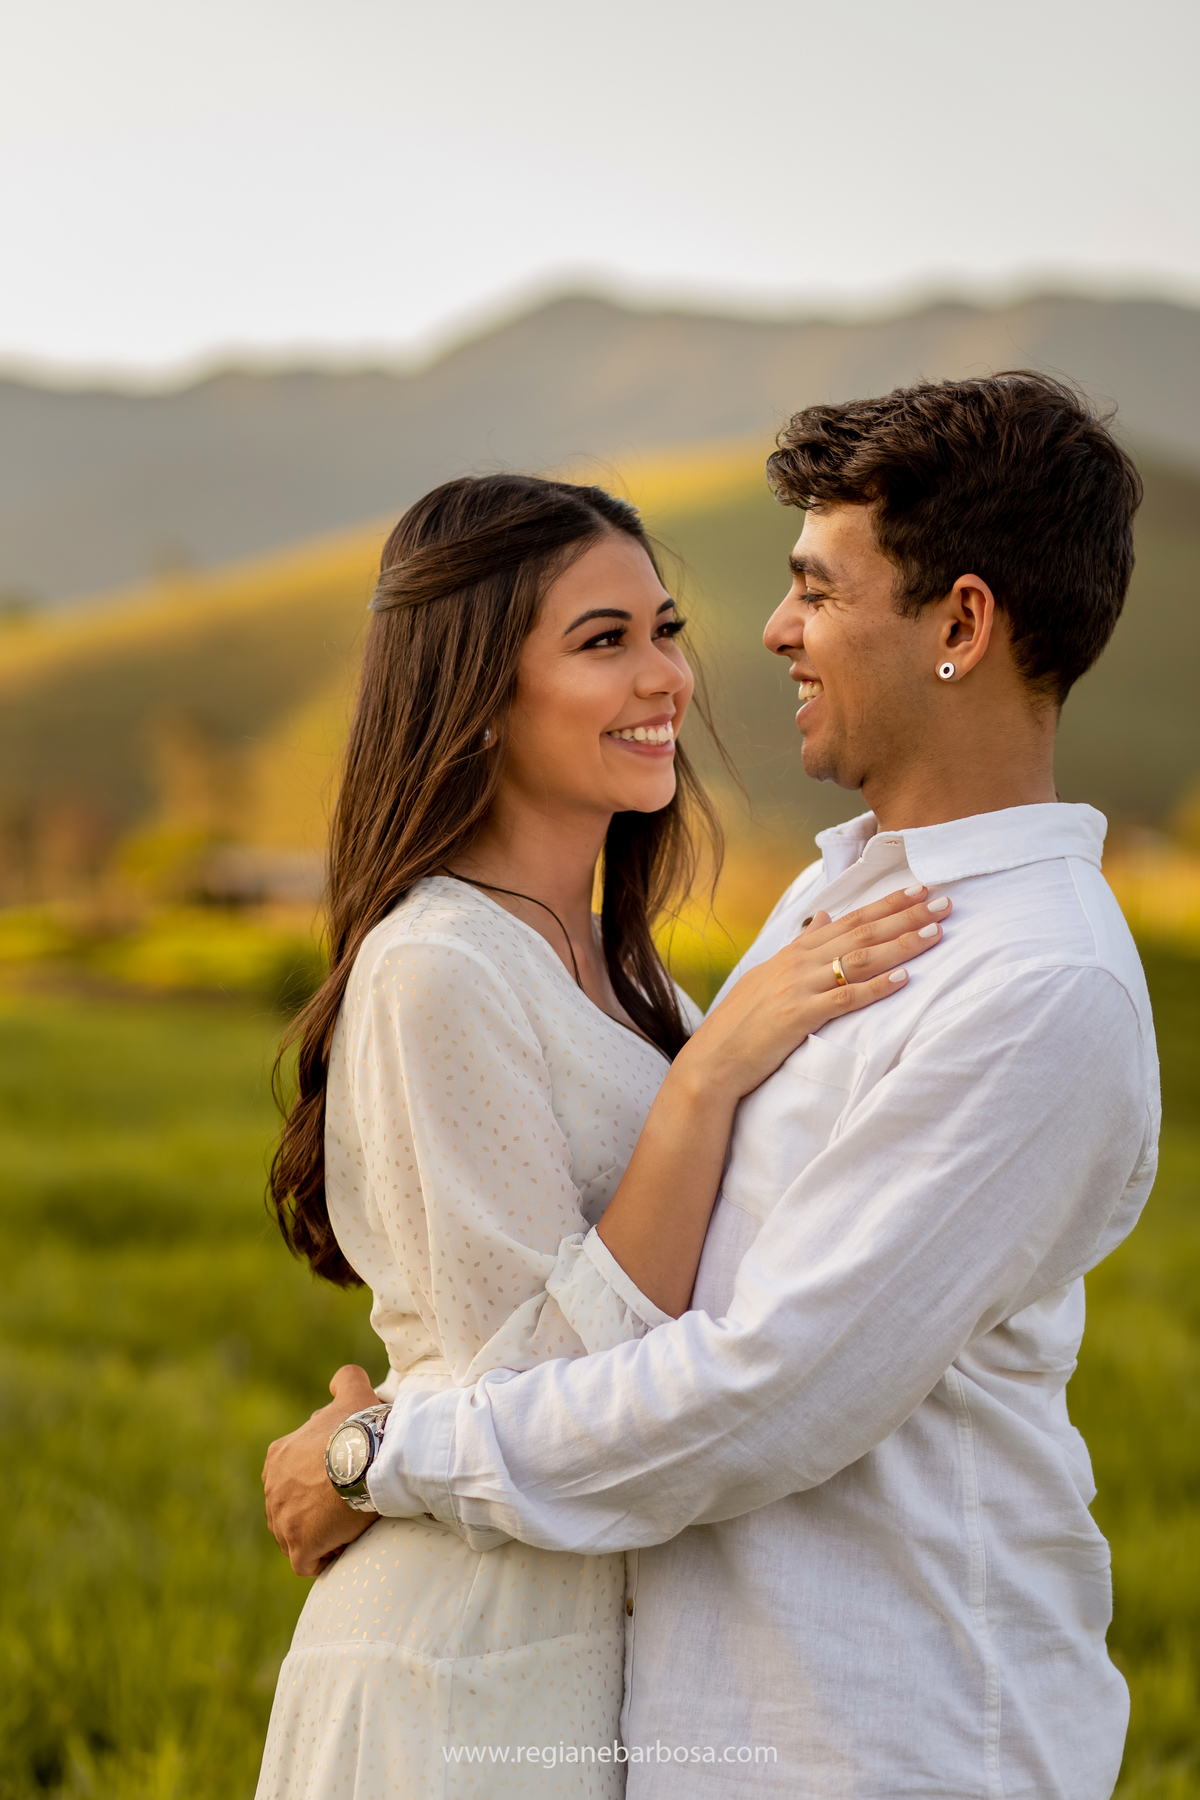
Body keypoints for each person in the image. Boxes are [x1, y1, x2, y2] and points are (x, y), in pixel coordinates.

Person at [276, 373, 1160, 1798]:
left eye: (817, 590)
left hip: (888, 1736)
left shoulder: (1033, 985)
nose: (764, 635)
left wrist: (386, 1450)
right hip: (650, 1708)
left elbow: (763, 1389)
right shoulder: (836, 904)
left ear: (963, 624)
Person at [256, 472, 946, 1798]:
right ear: (476, 690)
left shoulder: (633, 977)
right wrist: (710, 1084)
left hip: (600, 1645)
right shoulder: (439, 967)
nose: (665, 680)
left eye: (666, 630)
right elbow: (530, 1386)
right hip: (461, 1662)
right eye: (602, 641)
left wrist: (368, 1438)